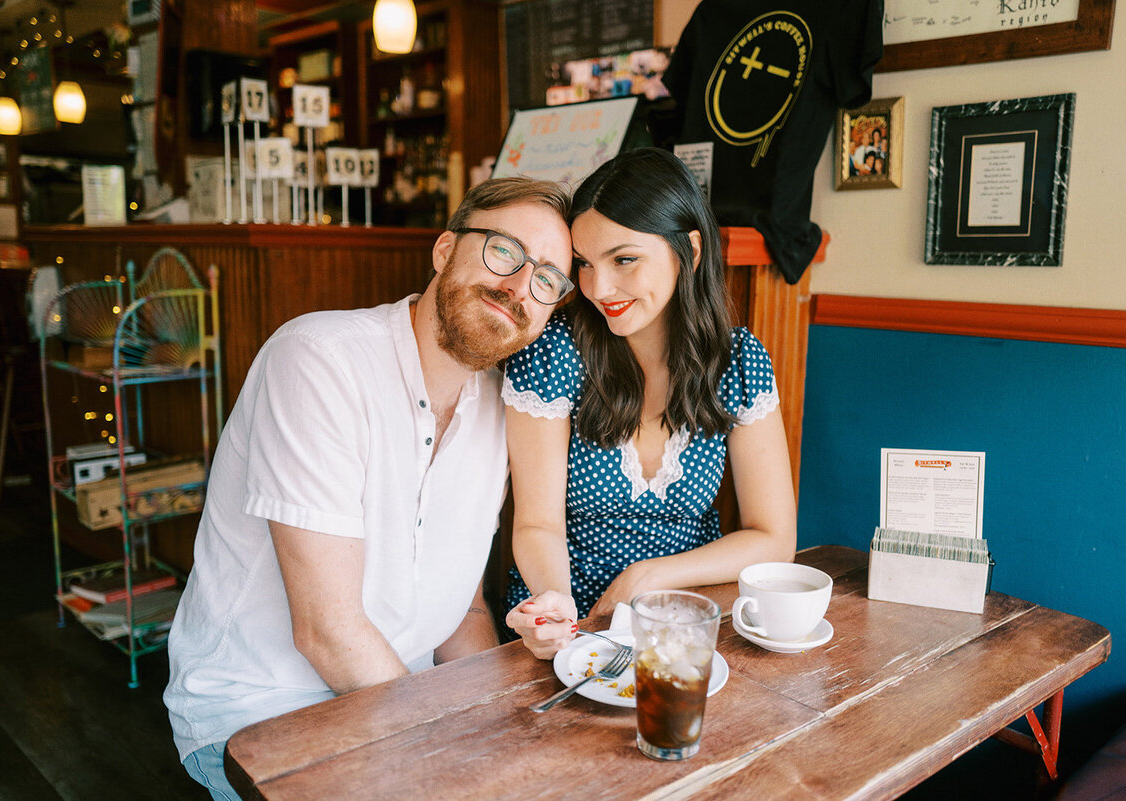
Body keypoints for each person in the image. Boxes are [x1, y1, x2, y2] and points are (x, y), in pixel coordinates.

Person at [163, 177, 574, 800]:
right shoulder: (318, 359)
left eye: (546, 279)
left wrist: (492, 723)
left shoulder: (499, 407)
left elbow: (461, 611)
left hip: (399, 701)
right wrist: (452, 755)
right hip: (263, 717)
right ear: (444, 250)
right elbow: (328, 632)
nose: (519, 286)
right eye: (504, 251)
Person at [500, 148, 797, 659]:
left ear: (691, 251)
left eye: (625, 259)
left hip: (684, 624)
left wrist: (649, 576)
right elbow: (536, 524)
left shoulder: (739, 361)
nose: (599, 287)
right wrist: (562, 610)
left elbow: (773, 539)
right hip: (563, 622)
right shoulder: (554, 354)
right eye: (585, 265)